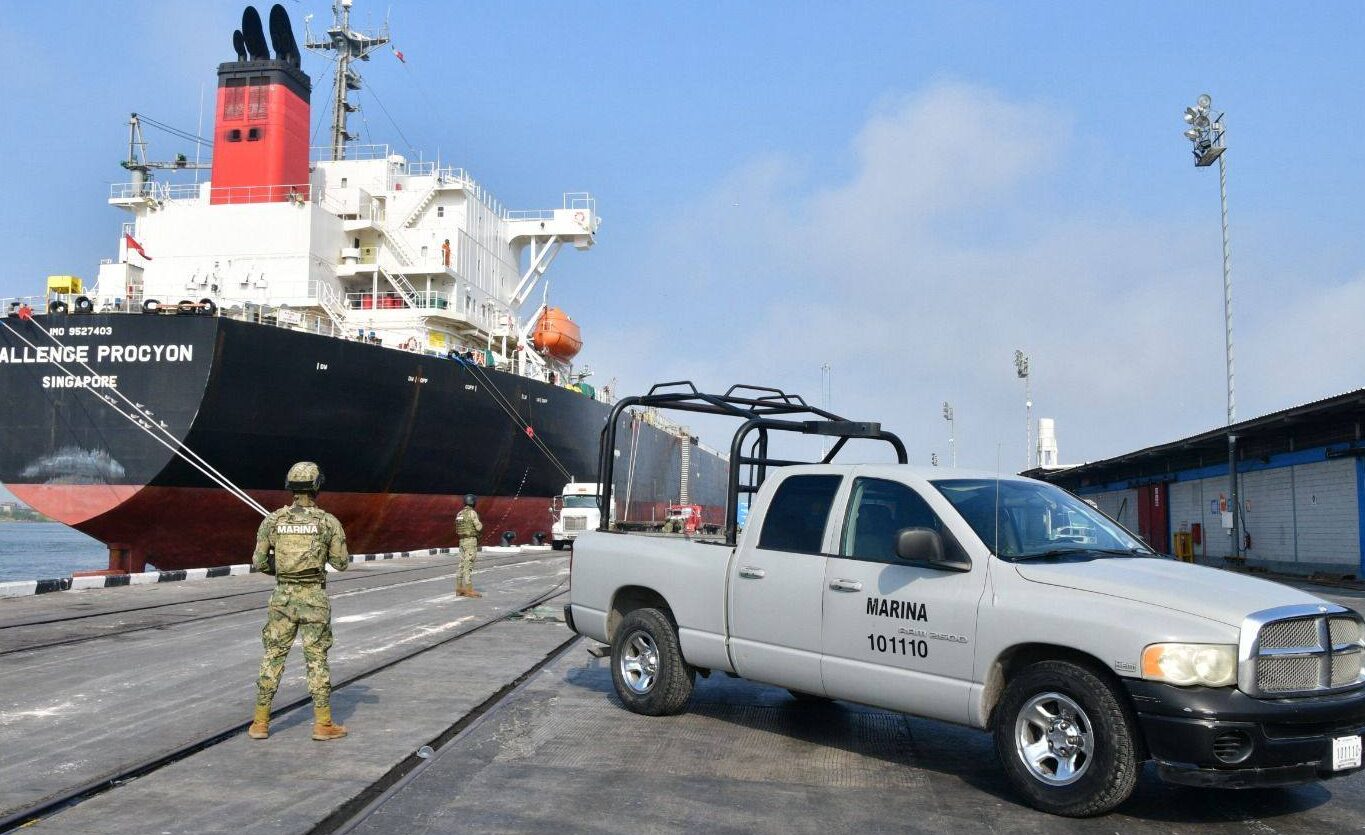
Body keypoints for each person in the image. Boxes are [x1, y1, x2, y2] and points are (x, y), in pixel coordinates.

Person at [248, 462, 350, 742]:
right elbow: (341, 563)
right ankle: (323, 724)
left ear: (290, 487)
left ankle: (259, 723)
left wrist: (281, 571)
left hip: (282, 597)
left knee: (273, 655)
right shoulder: (328, 522)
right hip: (314, 598)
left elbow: (259, 562)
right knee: (316, 658)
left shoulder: (273, 520)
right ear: (317, 486)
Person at [455, 494, 483, 597]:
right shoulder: (472, 513)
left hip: (461, 541)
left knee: (461, 564)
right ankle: (469, 589)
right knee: (468, 564)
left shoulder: (459, 513)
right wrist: (480, 524)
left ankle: (459, 588)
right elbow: (478, 528)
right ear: (473, 502)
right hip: (470, 541)